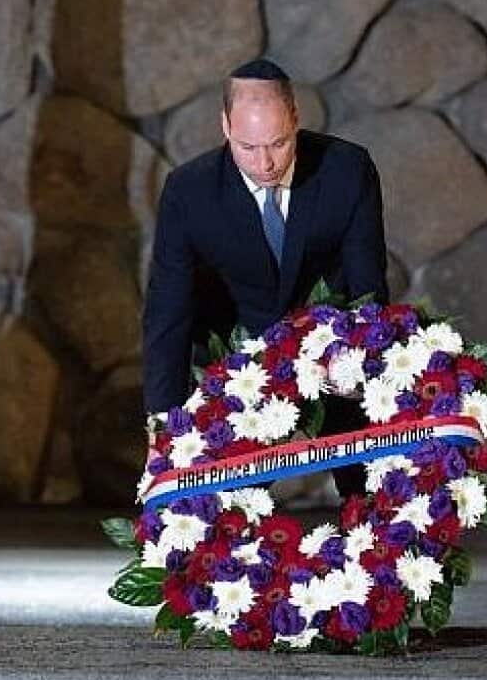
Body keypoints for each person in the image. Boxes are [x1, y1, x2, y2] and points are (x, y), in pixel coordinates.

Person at [142, 59, 388, 497]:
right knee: (209, 509)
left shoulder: (347, 170)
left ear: (296, 119)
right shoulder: (189, 191)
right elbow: (168, 312)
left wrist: (364, 367)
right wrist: (162, 422)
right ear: (225, 126)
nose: (265, 163)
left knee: (377, 497)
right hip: (239, 363)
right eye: (247, 147)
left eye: (278, 144)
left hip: (333, 352)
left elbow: (368, 285)